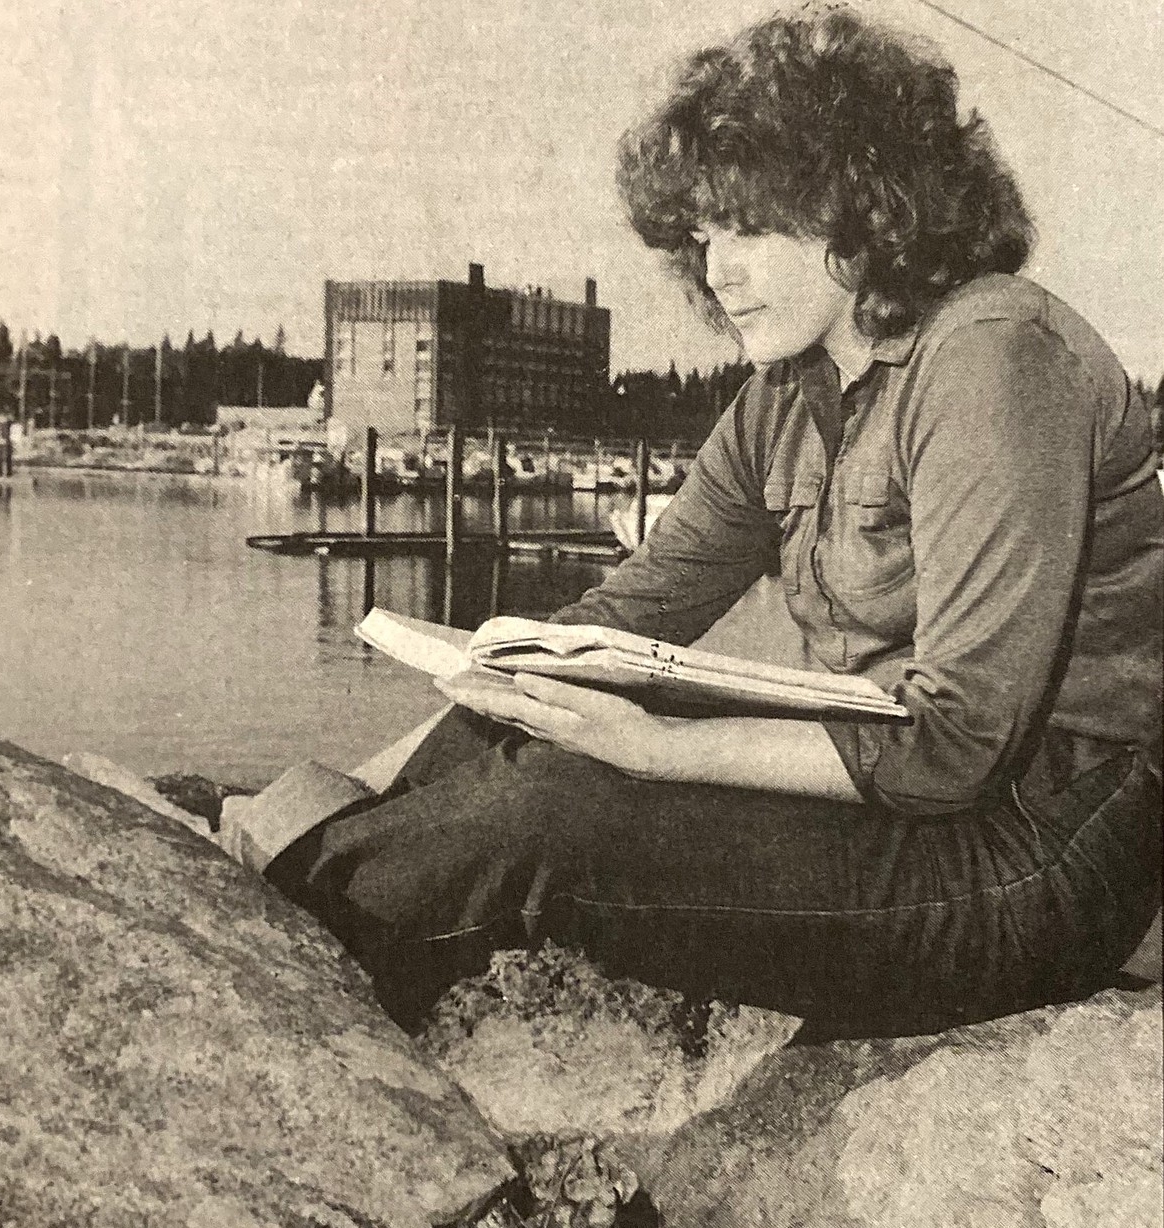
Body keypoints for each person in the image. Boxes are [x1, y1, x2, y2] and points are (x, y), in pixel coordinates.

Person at [251, 3, 1162, 1036]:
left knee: (558, 816)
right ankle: (296, 874)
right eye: (704, 232)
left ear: (868, 210)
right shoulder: (785, 394)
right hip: (902, 817)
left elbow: (954, 743)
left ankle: (272, 974)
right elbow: (619, 622)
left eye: (756, 225)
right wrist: (355, 784)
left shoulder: (994, 354)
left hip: (1035, 865)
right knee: (557, 680)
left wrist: (652, 751)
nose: (718, 268)